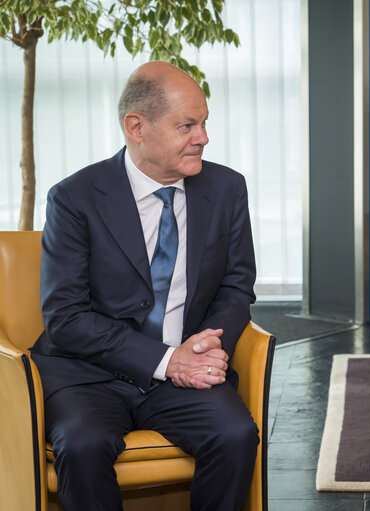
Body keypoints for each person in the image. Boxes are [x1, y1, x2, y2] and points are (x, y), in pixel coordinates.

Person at [30, 61, 259, 511]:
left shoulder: (227, 188)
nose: (203, 138)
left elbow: (237, 288)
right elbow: (66, 318)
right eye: (187, 125)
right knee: (81, 445)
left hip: (185, 373)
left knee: (235, 434)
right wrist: (165, 360)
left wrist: (203, 350)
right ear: (136, 127)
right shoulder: (74, 198)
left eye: (204, 123)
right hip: (87, 376)